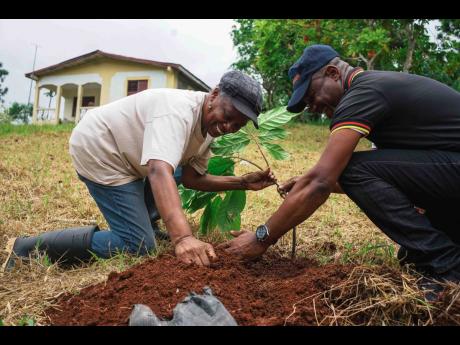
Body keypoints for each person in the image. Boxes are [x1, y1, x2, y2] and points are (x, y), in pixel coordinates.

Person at [220, 44, 460, 293]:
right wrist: (305, 182)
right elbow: (391, 171)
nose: (312, 107)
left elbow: (323, 181)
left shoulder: (363, 93)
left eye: (311, 96)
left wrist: (262, 237)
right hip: (450, 170)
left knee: (350, 169)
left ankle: (448, 267)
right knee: (411, 258)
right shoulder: (377, 87)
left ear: (333, 73)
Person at [3, 70, 276, 270]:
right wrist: (183, 238)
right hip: (102, 150)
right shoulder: (178, 111)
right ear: (214, 95)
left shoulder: (209, 130)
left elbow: (192, 178)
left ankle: (144, 219)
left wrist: (241, 182)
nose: (228, 127)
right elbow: (159, 171)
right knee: (138, 246)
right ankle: (26, 248)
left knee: (177, 172)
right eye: (228, 117)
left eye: (237, 125)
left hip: (134, 157)